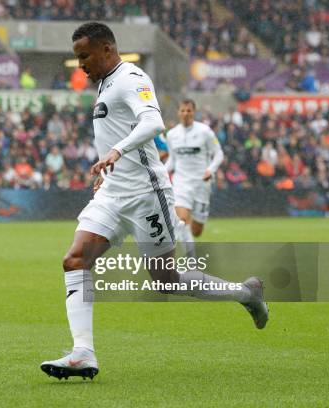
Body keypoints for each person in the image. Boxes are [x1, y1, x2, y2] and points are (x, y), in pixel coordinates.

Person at [40, 22, 268, 381]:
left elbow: (153, 123)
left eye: (85, 56)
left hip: (148, 195)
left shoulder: (131, 78)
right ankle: (83, 352)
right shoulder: (105, 85)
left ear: (107, 50)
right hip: (113, 194)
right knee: (75, 259)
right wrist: (108, 169)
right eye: (77, 57)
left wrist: (117, 151)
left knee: (166, 278)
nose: (80, 64)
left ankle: (246, 293)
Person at [164, 99, 224, 255]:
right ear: (178, 112)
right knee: (181, 222)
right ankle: (192, 263)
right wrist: (162, 173)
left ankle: (190, 232)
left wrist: (210, 170)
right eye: (182, 110)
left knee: (197, 231)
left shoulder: (205, 132)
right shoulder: (171, 134)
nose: (185, 114)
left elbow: (218, 154)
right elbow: (172, 159)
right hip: (181, 183)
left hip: (201, 184)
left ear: (194, 112)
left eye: (189, 111)